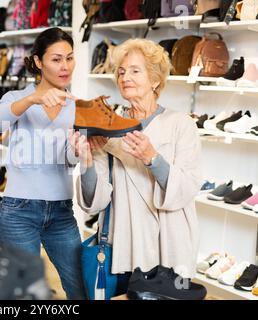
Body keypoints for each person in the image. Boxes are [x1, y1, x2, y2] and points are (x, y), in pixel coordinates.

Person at [70, 39, 203, 292]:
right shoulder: (108, 125)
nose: (124, 77)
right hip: (124, 244)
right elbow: (95, 201)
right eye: (120, 71)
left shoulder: (181, 124)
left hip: (169, 245)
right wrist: (86, 162)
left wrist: (152, 158)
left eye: (134, 70)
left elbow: (187, 188)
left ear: (155, 80)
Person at [0, 27, 86, 299]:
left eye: (69, 58)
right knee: (24, 294)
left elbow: (68, 161)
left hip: (62, 213)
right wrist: (32, 99)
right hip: (19, 212)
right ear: (39, 62)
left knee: (80, 287)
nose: (65, 66)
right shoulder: (17, 98)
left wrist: (78, 151)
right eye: (56, 59)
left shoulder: (77, 107)